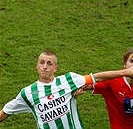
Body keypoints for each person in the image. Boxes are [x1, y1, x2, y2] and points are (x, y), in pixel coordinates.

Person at [1, 50, 133, 129]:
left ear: (56, 68)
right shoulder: (27, 93)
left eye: (49, 63)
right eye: (42, 63)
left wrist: (125, 73)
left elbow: (95, 77)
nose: (45, 67)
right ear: (37, 66)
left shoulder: (69, 80)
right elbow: (6, 111)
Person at [75, 48, 133, 129]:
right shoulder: (113, 81)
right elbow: (85, 84)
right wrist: (77, 89)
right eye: (132, 61)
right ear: (125, 64)